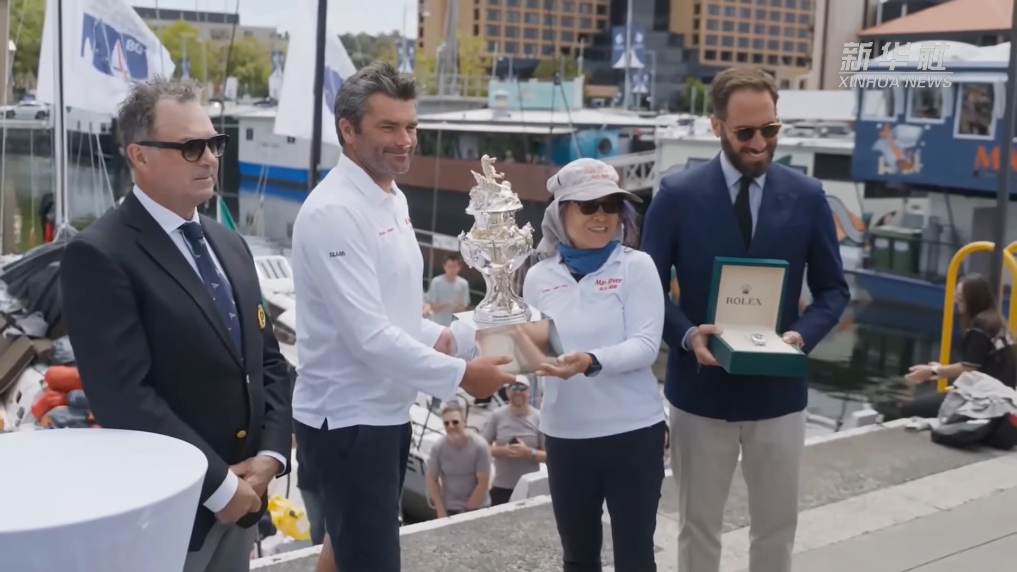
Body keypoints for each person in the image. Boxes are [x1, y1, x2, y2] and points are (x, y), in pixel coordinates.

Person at [59, 78, 293, 572]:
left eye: (214, 143)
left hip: (246, 503)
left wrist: (271, 457)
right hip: (170, 513)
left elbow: (268, 362)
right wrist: (220, 486)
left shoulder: (229, 243)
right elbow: (124, 397)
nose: (209, 158)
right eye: (191, 147)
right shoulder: (99, 254)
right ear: (139, 156)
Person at [289, 61, 514, 572]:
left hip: (385, 413)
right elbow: (369, 337)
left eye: (411, 126)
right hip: (349, 421)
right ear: (348, 130)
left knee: (344, 550)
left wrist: (459, 336)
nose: (405, 140)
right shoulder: (334, 212)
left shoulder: (391, 197)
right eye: (388, 127)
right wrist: (463, 375)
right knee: (370, 559)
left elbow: (397, 314)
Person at [641, 68, 850, 572]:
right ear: (716, 126)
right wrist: (687, 335)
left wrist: (801, 337)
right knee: (697, 527)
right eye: (746, 132)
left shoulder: (808, 195)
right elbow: (646, 288)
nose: (760, 143)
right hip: (699, 392)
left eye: (770, 129)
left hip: (779, 394)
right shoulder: (676, 195)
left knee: (777, 528)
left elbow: (833, 290)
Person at [453, 158, 667, 571]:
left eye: (611, 205)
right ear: (561, 212)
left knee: (636, 557)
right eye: (588, 206)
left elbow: (645, 346)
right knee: (578, 557)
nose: (602, 216)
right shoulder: (538, 276)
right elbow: (533, 348)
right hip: (566, 437)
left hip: (633, 434)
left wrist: (589, 361)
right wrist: (481, 350)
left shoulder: (637, 266)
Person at [903, 273, 1017, 415]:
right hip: (1002, 393)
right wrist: (940, 369)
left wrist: (932, 371)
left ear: (974, 300)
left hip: (985, 398)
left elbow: (968, 368)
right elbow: (977, 365)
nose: (956, 301)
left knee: (912, 408)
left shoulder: (980, 326)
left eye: (960, 298)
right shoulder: (995, 320)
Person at [481, 375, 545, 505]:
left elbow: (549, 456)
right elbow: (481, 449)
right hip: (501, 486)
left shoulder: (539, 418)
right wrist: (503, 451)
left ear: (529, 392)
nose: (517, 392)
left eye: (522, 388)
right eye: (513, 388)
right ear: (507, 393)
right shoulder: (496, 416)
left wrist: (529, 452)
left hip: (529, 487)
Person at [426, 402, 493, 517]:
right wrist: (440, 510)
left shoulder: (480, 446)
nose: (450, 426)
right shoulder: (438, 448)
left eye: (455, 422)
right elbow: (432, 479)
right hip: (449, 508)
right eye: (446, 423)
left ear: (464, 422)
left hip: (478, 508)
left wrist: (465, 512)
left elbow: (483, 484)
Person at [426, 253, 471, 326]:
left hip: (454, 325)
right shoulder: (436, 282)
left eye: (454, 266)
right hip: (437, 324)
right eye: (449, 266)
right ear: (444, 266)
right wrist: (446, 304)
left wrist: (457, 306)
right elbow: (432, 307)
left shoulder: (463, 284)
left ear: (459, 267)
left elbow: (463, 309)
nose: (452, 269)